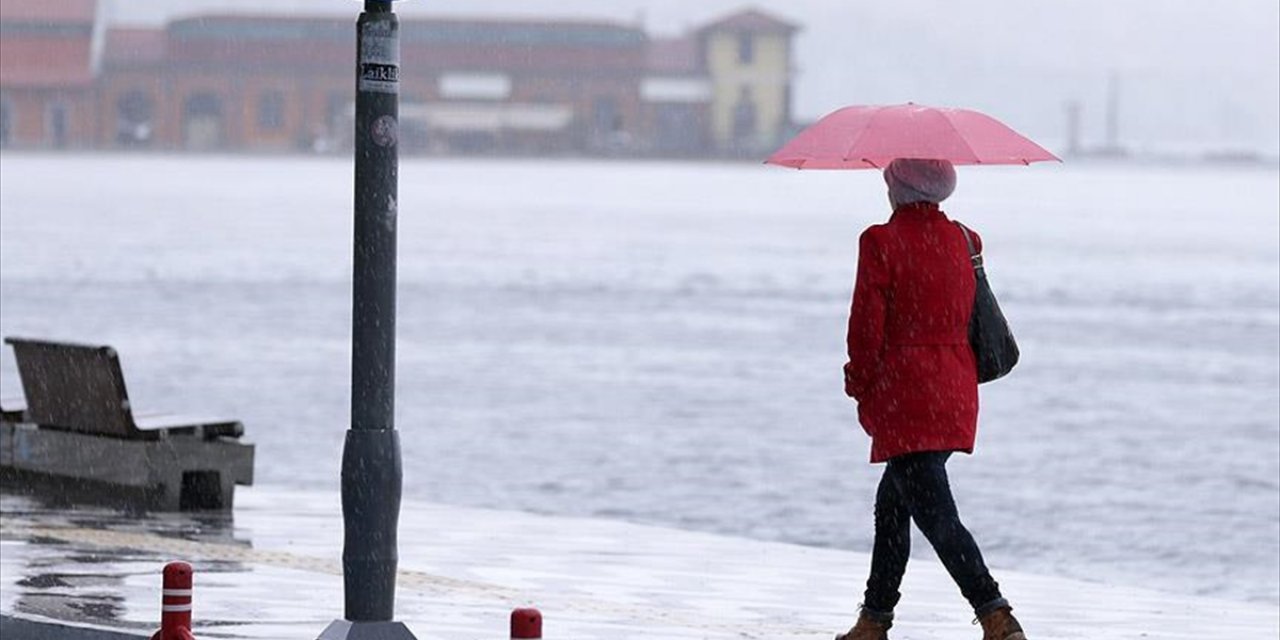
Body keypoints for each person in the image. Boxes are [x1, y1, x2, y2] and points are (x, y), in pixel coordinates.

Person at [835, 158, 1026, 640]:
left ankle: (995, 612)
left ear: (895, 187)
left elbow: (865, 328)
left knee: (937, 517)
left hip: (906, 394)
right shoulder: (965, 239)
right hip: (954, 391)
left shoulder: (880, 242)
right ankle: (873, 620)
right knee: (893, 508)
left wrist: (858, 380)